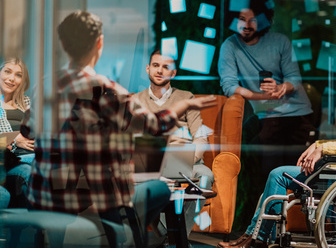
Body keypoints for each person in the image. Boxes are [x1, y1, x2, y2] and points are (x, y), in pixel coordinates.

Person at [20, 10, 216, 247]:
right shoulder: (106, 90)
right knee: (155, 189)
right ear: (99, 44)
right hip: (91, 192)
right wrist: (181, 107)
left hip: (42, 193)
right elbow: (154, 125)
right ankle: (139, 238)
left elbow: (28, 130)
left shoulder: (45, 85)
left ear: (63, 44)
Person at [218, 48, 336, 248]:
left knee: (279, 175)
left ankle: (258, 240)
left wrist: (323, 149)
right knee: (276, 180)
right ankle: (257, 237)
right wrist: (318, 144)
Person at [218, 0, 316, 172]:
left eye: (253, 20)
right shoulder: (230, 46)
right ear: (234, 19)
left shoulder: (280, 41)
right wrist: (262, 97)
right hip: (267, 115)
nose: (246, 25)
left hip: (298, 112)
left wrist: (281, 88)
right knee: (272, 170)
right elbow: (229, 86)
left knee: (302, 171)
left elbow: (294, 78)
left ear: (262, 20)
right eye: (242, 19)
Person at [132, 49, 214, 234]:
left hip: (187, 162)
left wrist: (188, 160)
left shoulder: (186, 98)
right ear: (147, 69)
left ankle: (177, 239)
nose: (160, 70)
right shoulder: (136, 101)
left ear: (173, 73)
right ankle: (165, 236)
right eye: (155, 65)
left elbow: (200, 136)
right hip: (151, 166)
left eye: (165, 67)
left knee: (205, 177)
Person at [0, 58, 34, 208]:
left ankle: (41, 228)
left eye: (18, 75)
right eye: (7, 71)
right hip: (9, 160)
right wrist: (15, 141)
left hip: (32, 156)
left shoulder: (27, 103)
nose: (12, 78)